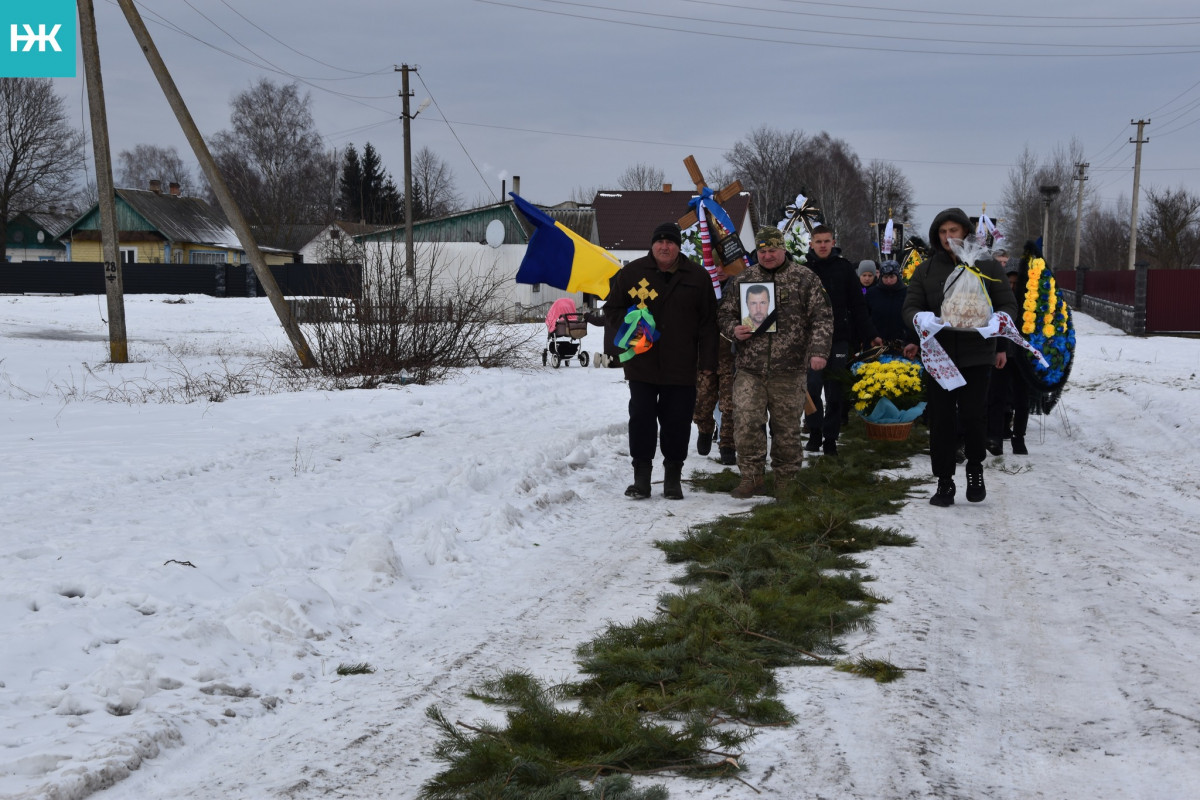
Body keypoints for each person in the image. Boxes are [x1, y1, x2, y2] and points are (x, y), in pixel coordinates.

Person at [902, 208, 1018, 506]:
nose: (947, 237)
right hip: (938, 356)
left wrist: (999, 325)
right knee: (940, 420)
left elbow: (1007, 303)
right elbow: (910, 306)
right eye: (942, 232)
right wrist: (921, 319)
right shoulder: (926, 270)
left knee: (972, 415)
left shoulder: (987, 266)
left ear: (965, 232)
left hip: (977, 354)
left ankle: (975, 468)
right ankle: (943, 481)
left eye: (953, 231)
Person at [604, 222, 718, 500]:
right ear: (652, 244)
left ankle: (672, 478)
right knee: (641, 418)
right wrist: (632, 330)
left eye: (670, 242)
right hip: (642, 363)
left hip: (682, 364)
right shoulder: (632, 273)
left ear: (679, 246)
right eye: (660, 242)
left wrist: (708, 362)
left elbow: (708, 323)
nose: (665, 247)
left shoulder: (697, 276)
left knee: (676, 421)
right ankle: (641, 478)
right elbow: (612, 309)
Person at [719, 227, 833, 499]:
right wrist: (733, 329)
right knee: (746, 423)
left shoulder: (804, 279)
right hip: (750, 369)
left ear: (783, 249)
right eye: (762, 250)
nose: (767, 255)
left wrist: (818, 351)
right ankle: (751, 477)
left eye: (772, 250)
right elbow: (724, 314)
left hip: (789, 370)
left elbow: (822, 317)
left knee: (786, 429)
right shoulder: (743, 279)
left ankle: (786, 481)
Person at [803, 226, 882, 456]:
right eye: (818, 241)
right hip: (811, 340)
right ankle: (815, 430)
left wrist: (871, 333)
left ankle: (830, 438)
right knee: (812, 387)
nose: (823, 245)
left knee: (835, 390)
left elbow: (858, 306)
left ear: (833, 242)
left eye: (827, 241)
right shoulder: (804, 270)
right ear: (811, 244)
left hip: (839, 338)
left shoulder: (844, 268)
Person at [693, 262, 738, 465]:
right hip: (706, 355)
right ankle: (705, 428)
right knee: (702, 401)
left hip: (731, 356)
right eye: (714, 266)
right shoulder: (700, 288)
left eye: (723, 266)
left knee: (730, 404)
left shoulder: (740, 288)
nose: (719, 271)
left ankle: (727, 444)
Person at [986, 248, 1030, 456]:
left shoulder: (1030, 302)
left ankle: (1018, 438)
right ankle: (995, 438)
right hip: (1000, 353)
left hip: (1022, 355)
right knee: (997, 396)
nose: (1012, 287)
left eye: (1015, 283)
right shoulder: (998, 297)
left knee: (1022, 399)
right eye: (1009, 283)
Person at [864, 259, 914, 349]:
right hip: (877, 342)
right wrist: (871, 335)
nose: (888, 281)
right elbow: (865, 317)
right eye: (885, 277)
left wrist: (910, 338)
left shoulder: (908, 293)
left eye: (891, 277)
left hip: (903, 343)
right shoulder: (872, 293)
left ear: (898, 276)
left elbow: (913, 318)